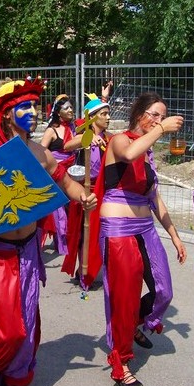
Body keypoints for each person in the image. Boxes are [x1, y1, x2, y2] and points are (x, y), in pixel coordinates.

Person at [0, 77, 97, 386]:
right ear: (8, 113)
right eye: (24, 106)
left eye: (35, 105)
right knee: (8, 327)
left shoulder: (41, 153)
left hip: (28, 250)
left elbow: (68, 186)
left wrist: (84, 196)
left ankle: (13, 376)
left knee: (26, 321)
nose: (33, 111)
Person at [91, 92, 187, 386]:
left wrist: (174, 235)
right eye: (154, 114)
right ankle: (121, 363)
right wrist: (161, 129)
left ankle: (133, 324)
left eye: (162, 116)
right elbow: (129, 154)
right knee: (124, 298)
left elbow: (155, 199)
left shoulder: (149, 154)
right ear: (139, 114)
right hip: (118, 228)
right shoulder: (120, 140)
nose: (158, 121)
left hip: (146, 227)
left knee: (164, 291)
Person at [61, 93, 112, 282]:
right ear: (93, 117)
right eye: (104, 114)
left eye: (108, 114)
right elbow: (67, 145)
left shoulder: (109, 137)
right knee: (84, 231)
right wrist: (87, 139)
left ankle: (101, 266)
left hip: (104, 188)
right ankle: (84, 272)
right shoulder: (85, 135)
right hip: (86, 190)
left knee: (104, 229)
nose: (108, 118)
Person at [38, 94, 76, 255]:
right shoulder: (51, 131)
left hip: (71, 173)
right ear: (58, 112)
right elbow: (40, 152)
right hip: (56, 173)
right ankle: (60, 242)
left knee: (70, 207)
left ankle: (69, 239)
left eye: (71, 107)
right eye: (66, 107)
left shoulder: (73, 128)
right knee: (58, 210)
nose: (70, 110)